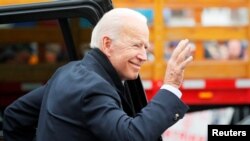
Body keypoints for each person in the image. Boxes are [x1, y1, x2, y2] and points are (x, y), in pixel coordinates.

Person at [3, 8, 193, 141]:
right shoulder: (94, 87)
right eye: (136, 45)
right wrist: (171, 86)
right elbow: (131, 136)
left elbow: (14, 116)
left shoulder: (67, 72)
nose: (144, 56)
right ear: (107, 44)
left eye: (145, 47)